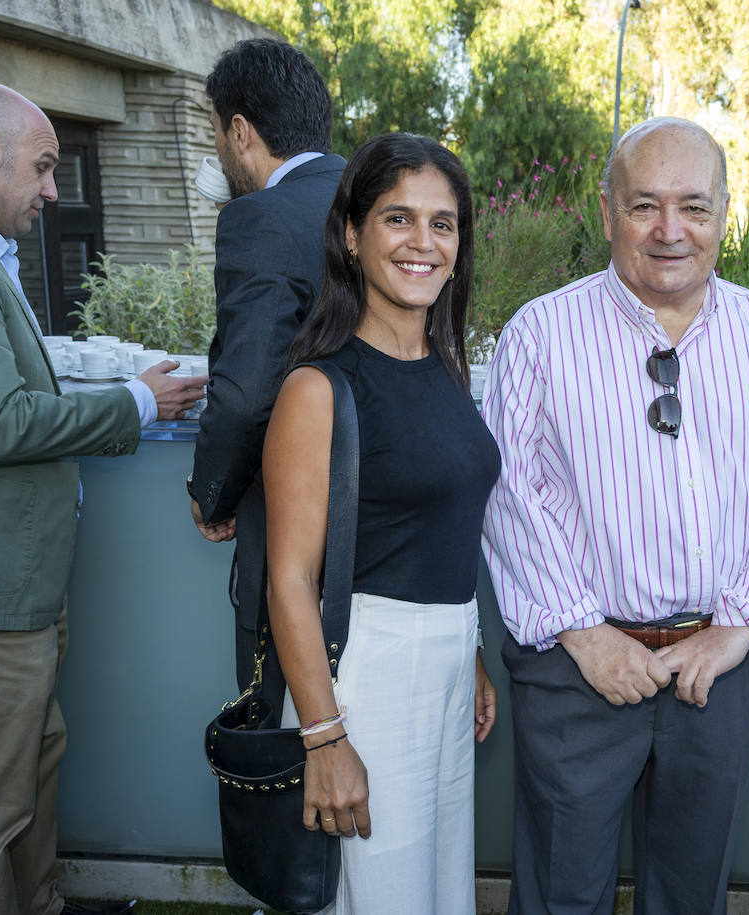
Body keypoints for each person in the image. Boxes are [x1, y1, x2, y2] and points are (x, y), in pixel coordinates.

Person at [482, 117, 749, 915]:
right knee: (561, 891)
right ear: (607, 213)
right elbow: (508, 493)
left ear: (724, 214)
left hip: (718, 667)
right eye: (645, 206)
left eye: (694, 207)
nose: (671, 231)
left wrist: (741, 626)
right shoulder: (540, 333)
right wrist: (582, 631)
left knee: (688, 894)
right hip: (577, 668)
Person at [0, 82, 205, 915]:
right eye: (46, 167)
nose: (56, 190)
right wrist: (135, 401)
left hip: (20, 589)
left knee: (35, 762)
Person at [261, 133, 500, 915]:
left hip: (441, 667)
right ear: (351, 233)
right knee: (378, 893)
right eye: (398, 218)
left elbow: (440, 522)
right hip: (367, 678)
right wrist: (325, 738)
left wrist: (464, 651)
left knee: (433, 888)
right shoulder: (318, 388)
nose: (423, 243)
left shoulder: (446, 369)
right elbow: (290, 578)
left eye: (443, 223)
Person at [186, 38, 347, 708]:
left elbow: (248, 391)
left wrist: (212, 493)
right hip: (396, 533)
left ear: (241, 131)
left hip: (299, 540)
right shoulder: (383, 198)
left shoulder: (261, 218)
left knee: (280, 734)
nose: (219, 153)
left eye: (217, 133)